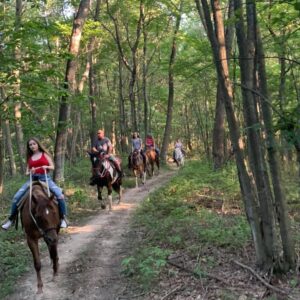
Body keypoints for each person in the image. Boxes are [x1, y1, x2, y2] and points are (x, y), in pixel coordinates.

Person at [1, 138, 68, 230]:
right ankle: (11, 220)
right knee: (16, 197)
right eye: (30, 145)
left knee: (60, 196)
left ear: (38, 144)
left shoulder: (45, 154)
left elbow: (52, 166)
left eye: (34, 144)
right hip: (32, 179)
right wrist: (31, 171)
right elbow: (26, 172)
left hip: (45, 178)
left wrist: (46, 166)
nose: (32, 146)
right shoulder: (30, 157)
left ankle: (63, 218)